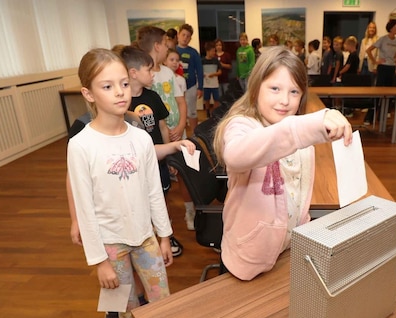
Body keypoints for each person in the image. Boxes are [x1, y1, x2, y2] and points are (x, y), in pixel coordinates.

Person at [212, 46, 352, 281]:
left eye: (294, 92)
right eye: (275, 88)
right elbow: (236, 155)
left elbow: (298, 192)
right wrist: (302, 127)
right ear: (256, 89)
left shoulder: (299, 135)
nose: (285, 101)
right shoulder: (243, 126)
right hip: (248, 256)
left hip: (287, 249)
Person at [67, 48, 174, 318]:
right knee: (123, 311)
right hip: (109, 245)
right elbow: (84, 207)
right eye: (107, 86)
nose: (120, 92)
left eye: (124, 83)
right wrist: (98, 261)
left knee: (162, 306)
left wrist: (164, 235)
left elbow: (154, 190)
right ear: (88, 93)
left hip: (145, 238)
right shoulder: (80, 145)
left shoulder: (141, 138)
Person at [136, 26, 196, 234]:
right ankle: (164, 225)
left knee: (183, 175)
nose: (169, 45)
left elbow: (180, 103)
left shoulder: (168, 72)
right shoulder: (139, 77)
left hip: (177, 134)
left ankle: (190, 212)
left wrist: (180, 127)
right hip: (156, 140)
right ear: (157, 46)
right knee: (159, 184)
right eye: (165, 42)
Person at [176, 23, 204, 130]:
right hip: (176, 87)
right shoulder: (172, 51)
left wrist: (200, 87)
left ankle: (194, 135)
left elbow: (199, 70)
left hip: (191, 86)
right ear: (178, 35)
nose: (185, 38)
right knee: (178, 111)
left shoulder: (193, 52)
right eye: (183, 35)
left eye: (188, 36)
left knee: (192, 111)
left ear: (190, 38)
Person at [366, 19, 396, 87]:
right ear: (391, 28)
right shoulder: (383, 39)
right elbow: (368, 50)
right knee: (380, 86)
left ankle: (387, 98)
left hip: (392, 67)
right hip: (383, 66)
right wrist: (375, 61)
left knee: (389, 86)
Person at [202, 41, 222, 118]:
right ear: (208, 51)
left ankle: (214, 113)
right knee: (206, 99)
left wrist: (214, 74)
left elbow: (220, 71)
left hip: (215, 84)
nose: (214, 52)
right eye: (213, 51)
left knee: (216, 99)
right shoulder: (202, 61)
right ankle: (207, 111)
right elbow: (199, 72)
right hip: (206, 84)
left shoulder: (216, 60)